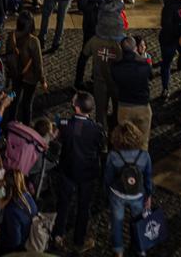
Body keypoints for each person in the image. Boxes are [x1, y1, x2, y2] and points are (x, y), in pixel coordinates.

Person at [52, 91, 104, 253]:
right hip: (87, 173)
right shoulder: (96, 129)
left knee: (63, 204)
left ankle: (58, 235)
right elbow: (100, 146)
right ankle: (79, 239)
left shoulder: (66, 124)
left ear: (76, 107)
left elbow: (57, 137)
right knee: (83, 206)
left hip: (68, 170)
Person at [103, 121, 153, 257]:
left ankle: (118, 251)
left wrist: (107, 192)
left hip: (117, 194)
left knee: (117, 223)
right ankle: (140, 248)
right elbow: (148, 178)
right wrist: (148, 195)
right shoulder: (144, 156)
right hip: (137, 195)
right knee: (139, 222)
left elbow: (108, 177)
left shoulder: (113, 156)